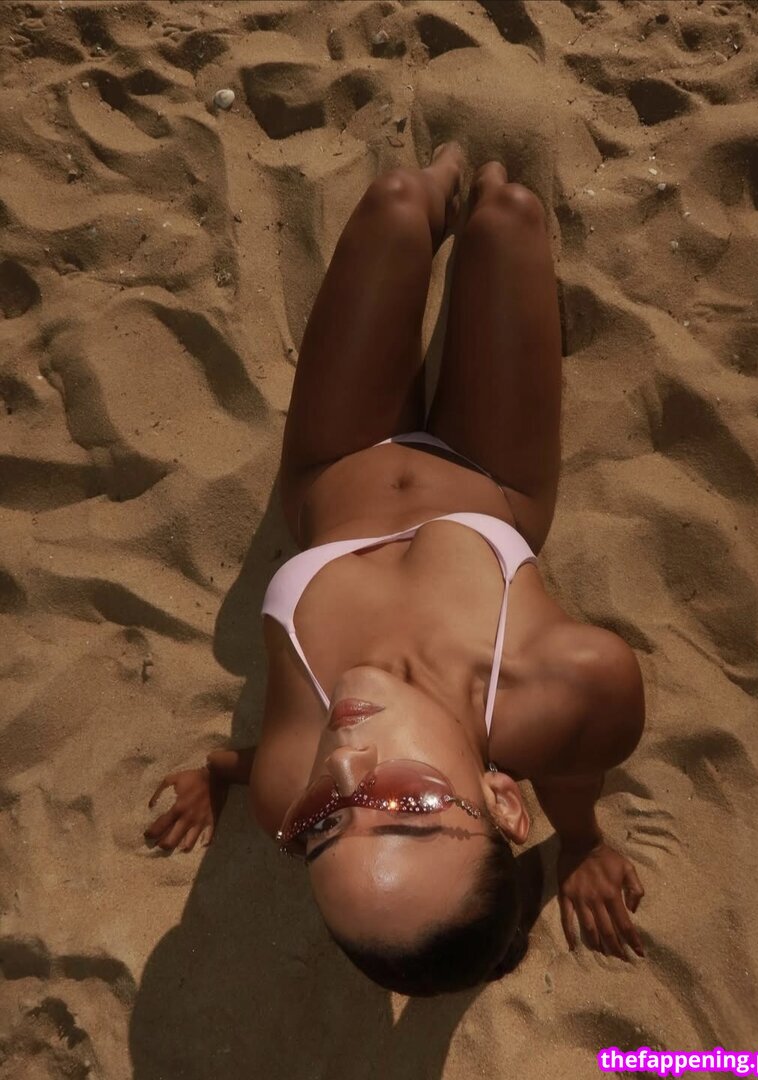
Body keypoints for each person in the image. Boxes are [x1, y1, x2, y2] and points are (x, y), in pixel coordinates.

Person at [144, 143, 647, 996]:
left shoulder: (289, 783)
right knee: (507, 214)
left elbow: (263, 758)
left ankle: (442, 178)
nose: (343, 772)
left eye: (323, 829)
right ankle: (476, 180)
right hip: (493, 477)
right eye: (407, 814)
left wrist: (214, 775)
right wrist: (583, 843)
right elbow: (572, 768)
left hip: (337, 465)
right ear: (503, 801)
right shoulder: (573, 681)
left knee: (399, 200)